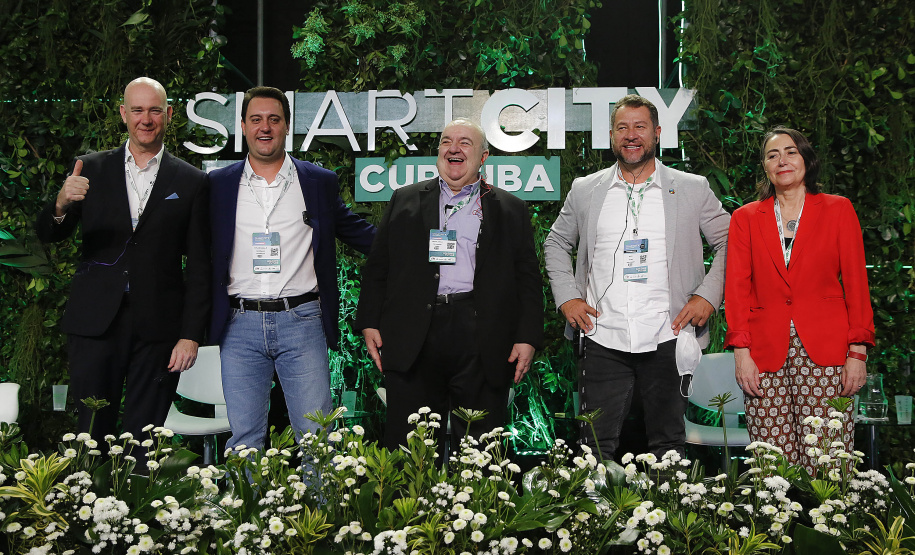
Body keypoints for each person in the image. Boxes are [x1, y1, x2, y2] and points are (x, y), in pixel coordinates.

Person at [544, 94, 730, 461]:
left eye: (640, 127)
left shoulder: (691, 187)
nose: (632, 135)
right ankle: (593, 518)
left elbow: (731, 242)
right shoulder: (586, 189)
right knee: (593, 449)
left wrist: (708, 295)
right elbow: (555, 242)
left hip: (669, 335)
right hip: (601, 335)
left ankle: (668, 517)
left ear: (657, 133)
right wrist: (567, 296)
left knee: (668, 448)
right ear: (612, 136)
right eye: (622, 128)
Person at [35, 77, 211, 444]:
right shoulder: (89, 168)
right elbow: (49, 234)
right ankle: (90, 502)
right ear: (123, 114)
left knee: (144, 436)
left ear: (169, 115)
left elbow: (199, 266)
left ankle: (138, 501)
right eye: (137, 110)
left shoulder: (192, 180)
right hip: (95, 320)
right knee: (90, 429)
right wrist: (61, 204)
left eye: (154, 110)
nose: (145, 119)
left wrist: (190, 335)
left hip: (160, 327)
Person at [355, 118, 543, 454]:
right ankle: (411, 508)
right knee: (410, 442)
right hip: (415, 334)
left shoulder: (510, 208)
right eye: (446, 141)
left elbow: (527, 278)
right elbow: (378, 266)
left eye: (465, 143)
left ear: (483, 157)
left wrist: (527, 337)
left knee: (481, 444)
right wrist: (369, 320)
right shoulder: (405, 200)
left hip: (481, 334)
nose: (453, 148)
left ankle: (478, 506)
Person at [209, 86, 375, 452]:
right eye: (256, 119)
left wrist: (417, 249)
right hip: (238, 326)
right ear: (242, 127)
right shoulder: (217, 185)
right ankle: (247, 511)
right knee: (245, 441)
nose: (264, 127)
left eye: (274, 119)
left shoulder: (317, 181)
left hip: (302, 321)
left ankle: (320, 511)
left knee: (317, 438)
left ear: (287, 127)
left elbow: (358, 233)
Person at [725, 126, 874, 473]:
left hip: (826, 351)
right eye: (773, 155)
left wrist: (858, 351)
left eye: (791, 152)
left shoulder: (838, 210)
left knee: (827, 458)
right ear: (764, 166)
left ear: (806, 158)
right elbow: (737, 290)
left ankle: (825, 527)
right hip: (763, 355)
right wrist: (741, 353)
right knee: (772, 465)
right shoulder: (745, 218)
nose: (782, 161)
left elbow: (857, 285)